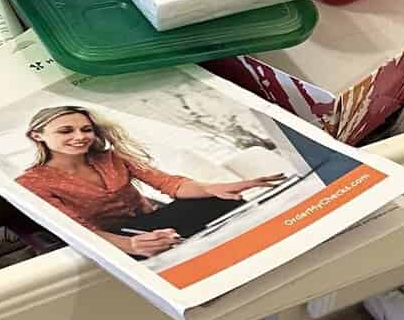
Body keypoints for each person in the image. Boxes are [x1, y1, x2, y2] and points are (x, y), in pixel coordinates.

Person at [17, 105, 272, 258]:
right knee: (145, 247)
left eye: (86, 129)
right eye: (65, 131)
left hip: (152, 219)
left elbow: (168, 183)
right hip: (111, 238)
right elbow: (77, 230)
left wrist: (209, 187)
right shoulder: (32, 182)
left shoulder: (111, 157)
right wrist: (130, 246)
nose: (80, 136)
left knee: (218, 199)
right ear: (36, 135)